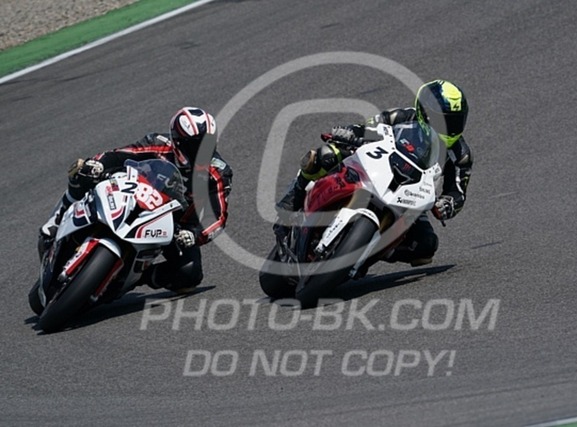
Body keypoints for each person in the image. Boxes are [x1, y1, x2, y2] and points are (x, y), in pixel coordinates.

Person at [274, 79, 472, 266]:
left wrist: (448, 204)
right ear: (426, 113)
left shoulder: (460, 155)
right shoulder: (402, 117)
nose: (450, 128)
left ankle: (371, 252)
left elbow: (458, 192)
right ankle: (291, 202)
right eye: (444, 120)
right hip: (376, 165)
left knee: (426, 246)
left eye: (456, 122)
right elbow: (370, 126)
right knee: (324, 155)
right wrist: (350, 132)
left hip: (411, 195)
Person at [38, 107, 233, 293]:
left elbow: (217, 216)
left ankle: (131, 279)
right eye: (196, 145)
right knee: (82, 172)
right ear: (178, 142)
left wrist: (194, 234)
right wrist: (98, 164)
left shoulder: (218, 173)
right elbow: (122, 154)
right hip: (135, 196)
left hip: (174, 226)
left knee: (189, 273)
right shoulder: (159, 143)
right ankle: (54, 225)